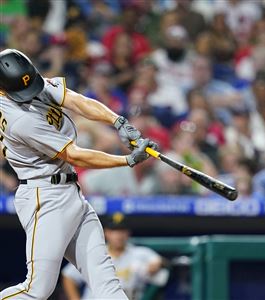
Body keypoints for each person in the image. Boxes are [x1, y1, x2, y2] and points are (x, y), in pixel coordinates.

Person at [0, 48, 158, 300]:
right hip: (45, 197)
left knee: (108, 287)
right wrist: (127, 160)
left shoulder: (25, 80)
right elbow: (74, 155)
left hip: (70, 193)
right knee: (37, 290)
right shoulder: (19, 119)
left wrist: (119, 122)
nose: (30, 93)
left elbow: (74, 100)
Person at [62, 213, 165, 300]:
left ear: (128, 233)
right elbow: (69, 275)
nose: (118, 235)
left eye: (121, 231)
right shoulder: (94, 253)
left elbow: (162, 261)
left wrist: (157, 264)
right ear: (106, 233)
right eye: (114, 231)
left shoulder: (140, 253)